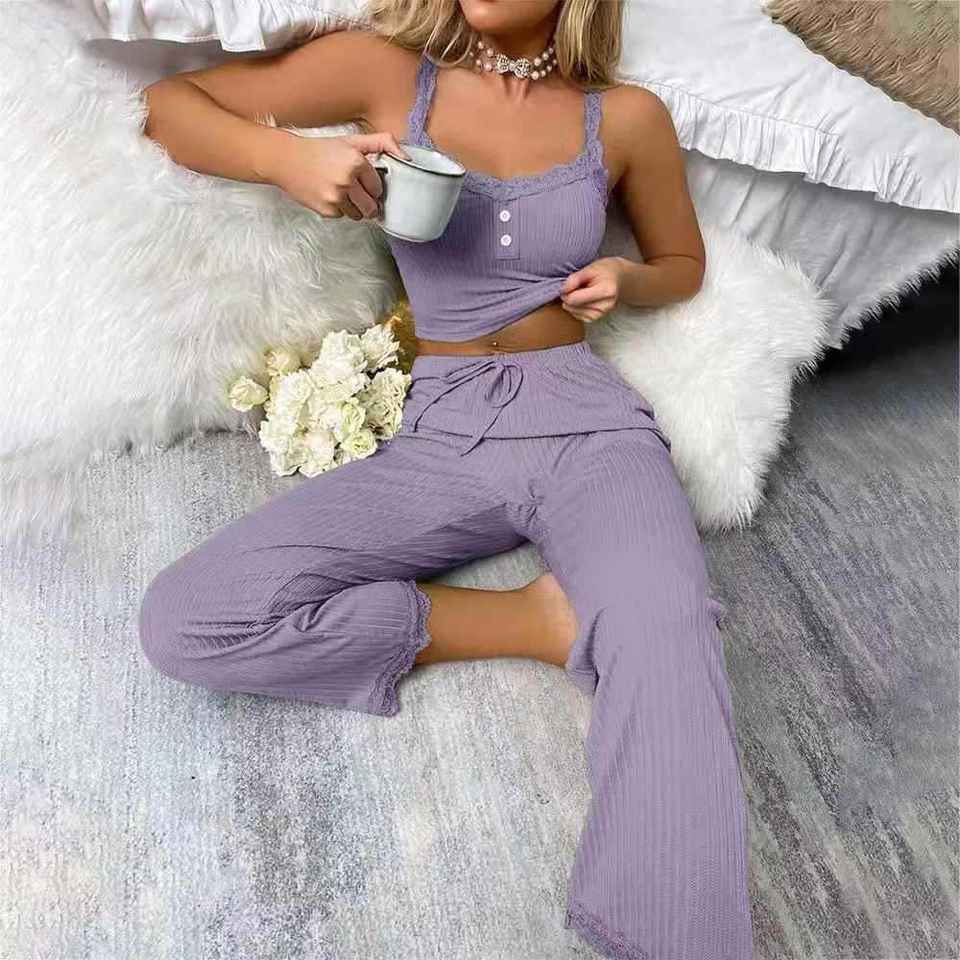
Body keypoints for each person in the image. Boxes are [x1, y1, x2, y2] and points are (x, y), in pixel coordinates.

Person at [137, 2, 754, 957]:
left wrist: (626, 281)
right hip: (443, 431)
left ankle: (675, 937)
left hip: (589, 423)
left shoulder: (626, 118)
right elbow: (167, 106)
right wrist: (289, 160)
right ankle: (541, 623)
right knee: (190, 619)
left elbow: (682, 261)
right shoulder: (386, 72)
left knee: (668, 628)